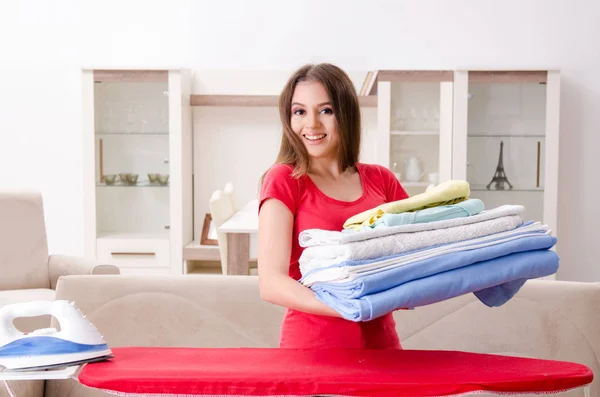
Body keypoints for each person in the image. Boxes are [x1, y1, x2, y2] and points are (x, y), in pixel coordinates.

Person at [257, 63, 409, 349]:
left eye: (326, 111)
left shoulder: (381, 179)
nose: (311, 124)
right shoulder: (285, 180)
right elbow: (271, 282)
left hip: (383, 345)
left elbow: (421, 250)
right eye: (299, 112)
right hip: (313, 348)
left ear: (346, 115)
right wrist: (354, 306)